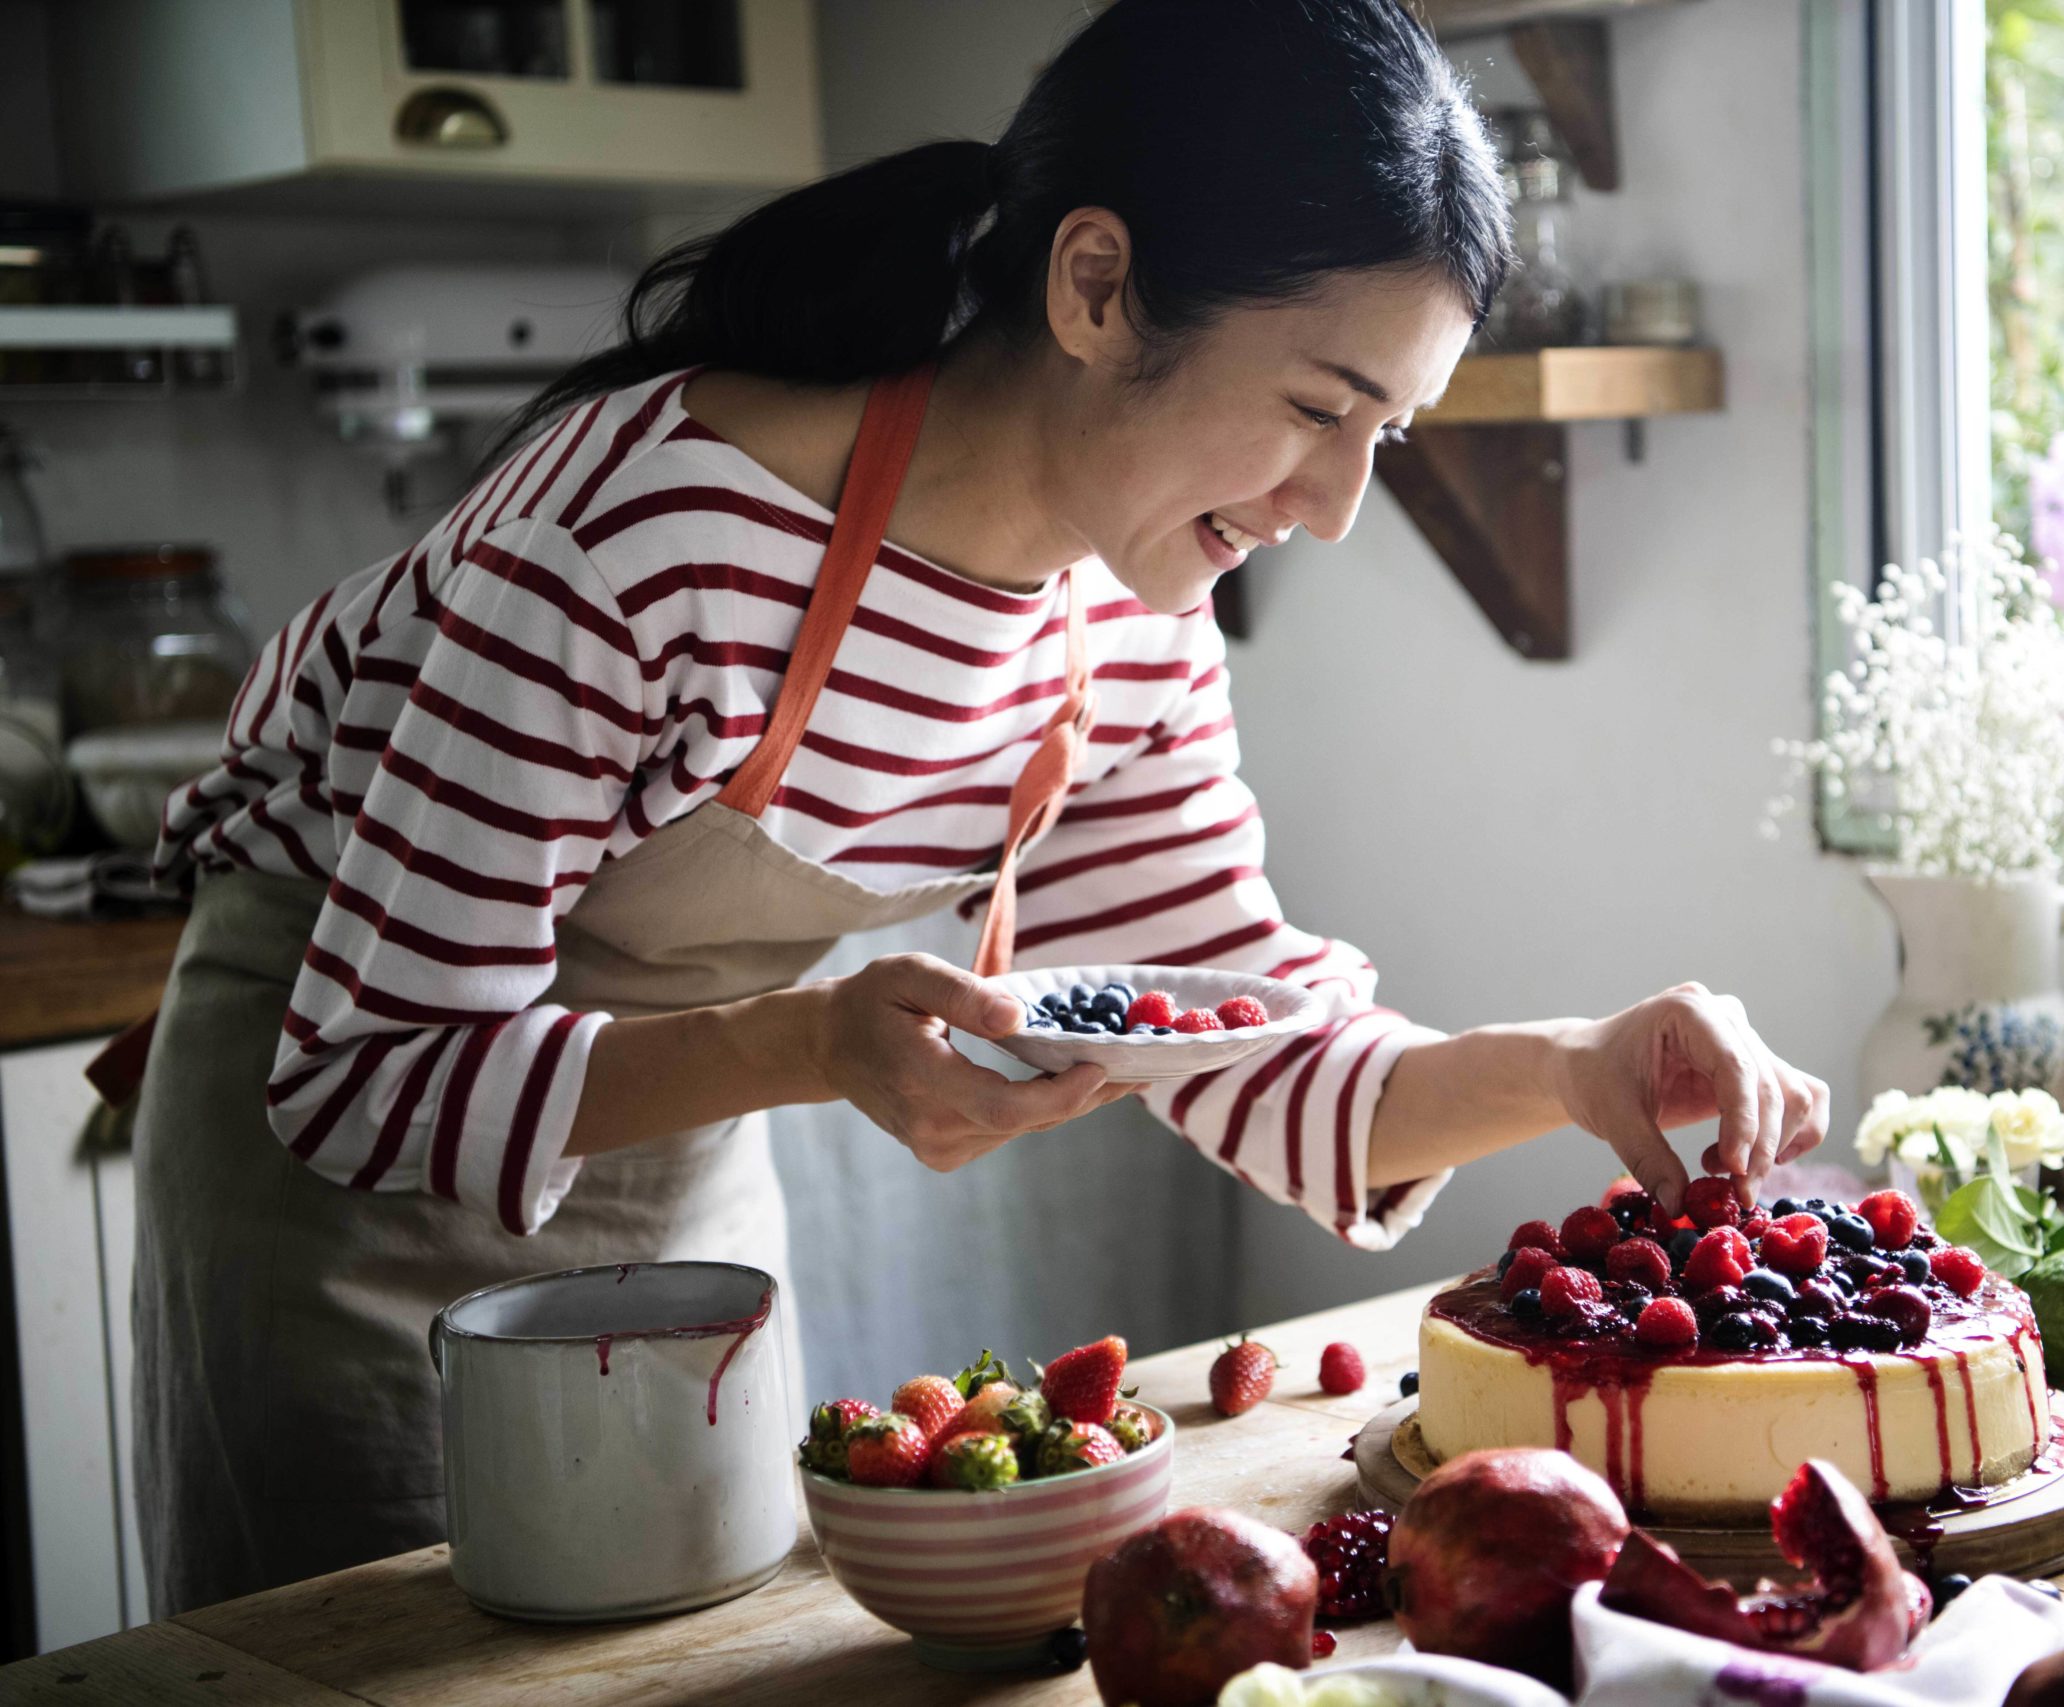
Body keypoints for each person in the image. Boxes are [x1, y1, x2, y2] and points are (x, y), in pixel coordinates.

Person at [123, 0, 1827, 1615]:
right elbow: (359, 1081)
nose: (1334, 508)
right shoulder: (651, 541)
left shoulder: (1131, 619)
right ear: (1095, 285)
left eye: (1386, 436)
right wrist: (812, 1045)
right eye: (1319, 408)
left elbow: (1249, 1045)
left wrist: (1566, 1067)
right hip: (345, 1187)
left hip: (674, 1153)